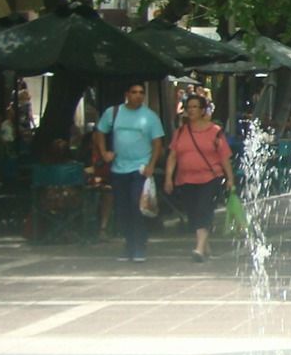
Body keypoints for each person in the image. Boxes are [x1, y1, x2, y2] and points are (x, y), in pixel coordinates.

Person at [92, 82, 166, 263]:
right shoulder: (113, 112)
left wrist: (151, 164)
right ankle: (129, 244)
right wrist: (104, 152)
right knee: (122, 208)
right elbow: (100, 132)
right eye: (134, 92)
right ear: (127, 94)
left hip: (140, 168)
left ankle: (139, 245)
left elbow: (157, 143)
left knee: (136, 205)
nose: (138, 95)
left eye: (141, 92)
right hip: (119, 167)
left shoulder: (150, 116)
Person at [164, 93, 235, 262]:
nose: (191, 110)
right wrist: (168, 178)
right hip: (185, 179)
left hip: (210, 178)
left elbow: (224, 157)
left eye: (195, 107)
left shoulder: (214, 131)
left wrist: (230, 178)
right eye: (189, 107)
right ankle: (204, 244)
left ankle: (199, 248)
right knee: (193, 213)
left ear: (203, 110)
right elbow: (172, 156)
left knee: (204, 209)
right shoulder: (180, 132)